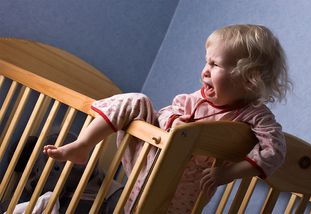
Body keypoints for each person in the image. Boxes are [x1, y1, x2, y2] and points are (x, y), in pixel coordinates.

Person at [44, 24, 291, 213]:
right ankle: (82, 145)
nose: (205, 70)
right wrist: (175, 123)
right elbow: (167, 111)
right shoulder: (197, 98)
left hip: (183, 194)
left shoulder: (254, 116)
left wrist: (229, 173)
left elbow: (275, 150)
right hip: (149, 162)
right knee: (136, 100)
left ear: (248, 79)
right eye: (206, 62)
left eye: (215, 65)